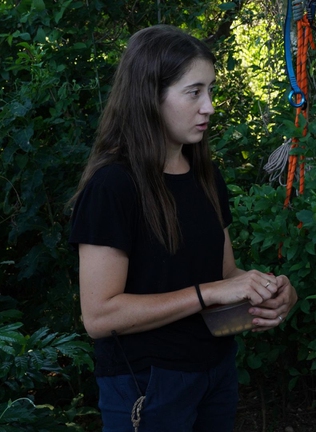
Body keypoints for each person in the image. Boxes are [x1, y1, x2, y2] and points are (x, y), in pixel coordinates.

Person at [69, 25, 298, 431]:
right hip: (147, 384)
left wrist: (269, 289)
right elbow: (99, 316)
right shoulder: (113, 187)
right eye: (194, 92)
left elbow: (225, 276)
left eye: (210, 90)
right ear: (149, 97)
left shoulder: (205, 176)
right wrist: (210, 292)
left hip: (215, 373)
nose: (208, 106)